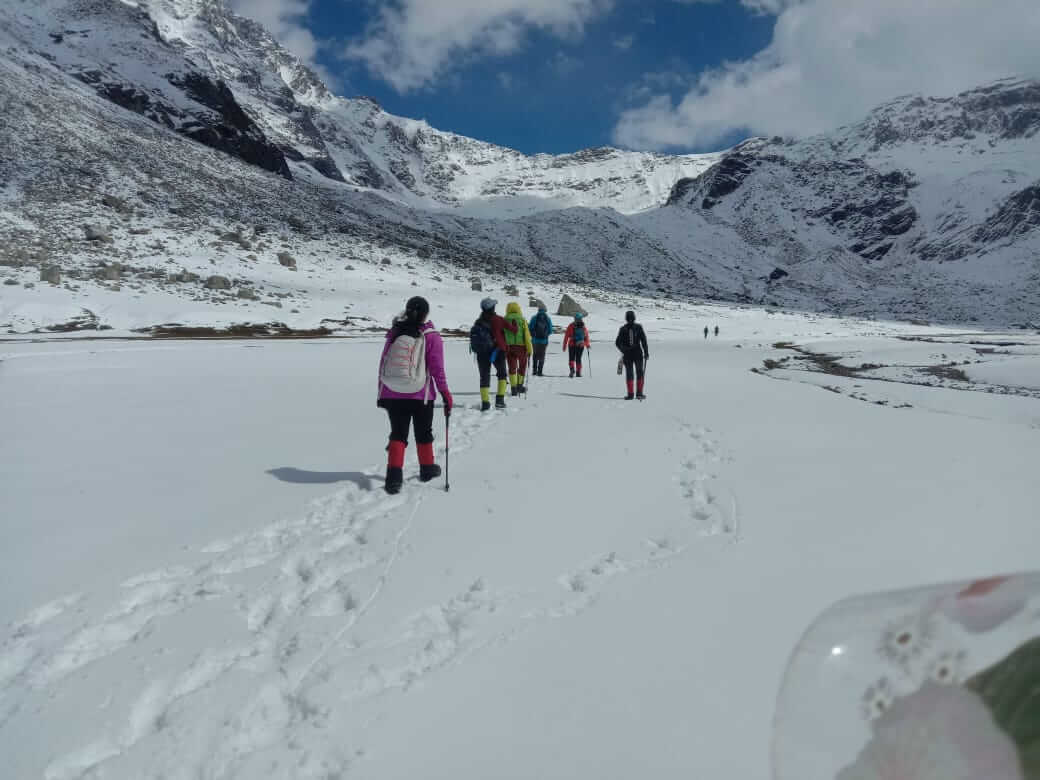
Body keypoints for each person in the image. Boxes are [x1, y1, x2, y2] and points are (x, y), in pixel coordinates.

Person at [377, 296, 453, 495]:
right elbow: (437, 369)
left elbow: (383, 363)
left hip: (393, 392)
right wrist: (445, 393)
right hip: (421, 395)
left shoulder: (394, 332)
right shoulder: (431, 336)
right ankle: (427, 469)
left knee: (398, 434)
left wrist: (382, 393)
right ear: (426, 313)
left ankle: (393, 478)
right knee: (423, 432)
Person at [469, 297, 518, 410]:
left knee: (484, 376)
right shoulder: (499, 319)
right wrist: (514, 324)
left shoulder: (478, 321)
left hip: (481, 353)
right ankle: (499, 400)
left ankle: (485, 403)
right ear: (493, 308)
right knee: (502, 375)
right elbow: (513, 330)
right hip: (497, 351)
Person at [615, 310, 649, 400]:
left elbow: (617, 343)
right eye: (630, 318)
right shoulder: (638, 327)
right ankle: (639, 394)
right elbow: (644, 341)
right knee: (639, 373)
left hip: (629, 354)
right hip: (636, 354)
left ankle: (631, 394)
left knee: (631, 374)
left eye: (630, 318)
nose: (630, 320)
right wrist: (646, 352)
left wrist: (624, 350)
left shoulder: (623, 328)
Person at [503, 302, 533, 396]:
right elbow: (527, 336)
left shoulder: (505, 319)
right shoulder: (522, 320)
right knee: (522, 366)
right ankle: (520, 385)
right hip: (521, 347)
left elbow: (502, 335)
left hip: (509, 347)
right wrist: (529, 349)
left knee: (512, 367)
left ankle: (513, 388)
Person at [562, 313, 591, 378]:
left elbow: (566, 336)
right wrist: (587, 344)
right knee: (578, 359)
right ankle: (578, 372)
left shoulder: (571, 325)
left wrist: (564, 346)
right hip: (581, 345)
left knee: (571, 358)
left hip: (572, 344)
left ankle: (572, 370)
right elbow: (586, 337)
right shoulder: (583, 327)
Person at [529, 306, 553, 376]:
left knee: (535, 355)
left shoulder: (534, 318)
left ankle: (534, 371)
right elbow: (550, 330)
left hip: (535, 341)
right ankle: (540, 372)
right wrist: (546, 335)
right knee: (542, 355)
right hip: (544, 341)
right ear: (545, 311)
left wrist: (533, 335)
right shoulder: (548, 319)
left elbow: (530, 328)